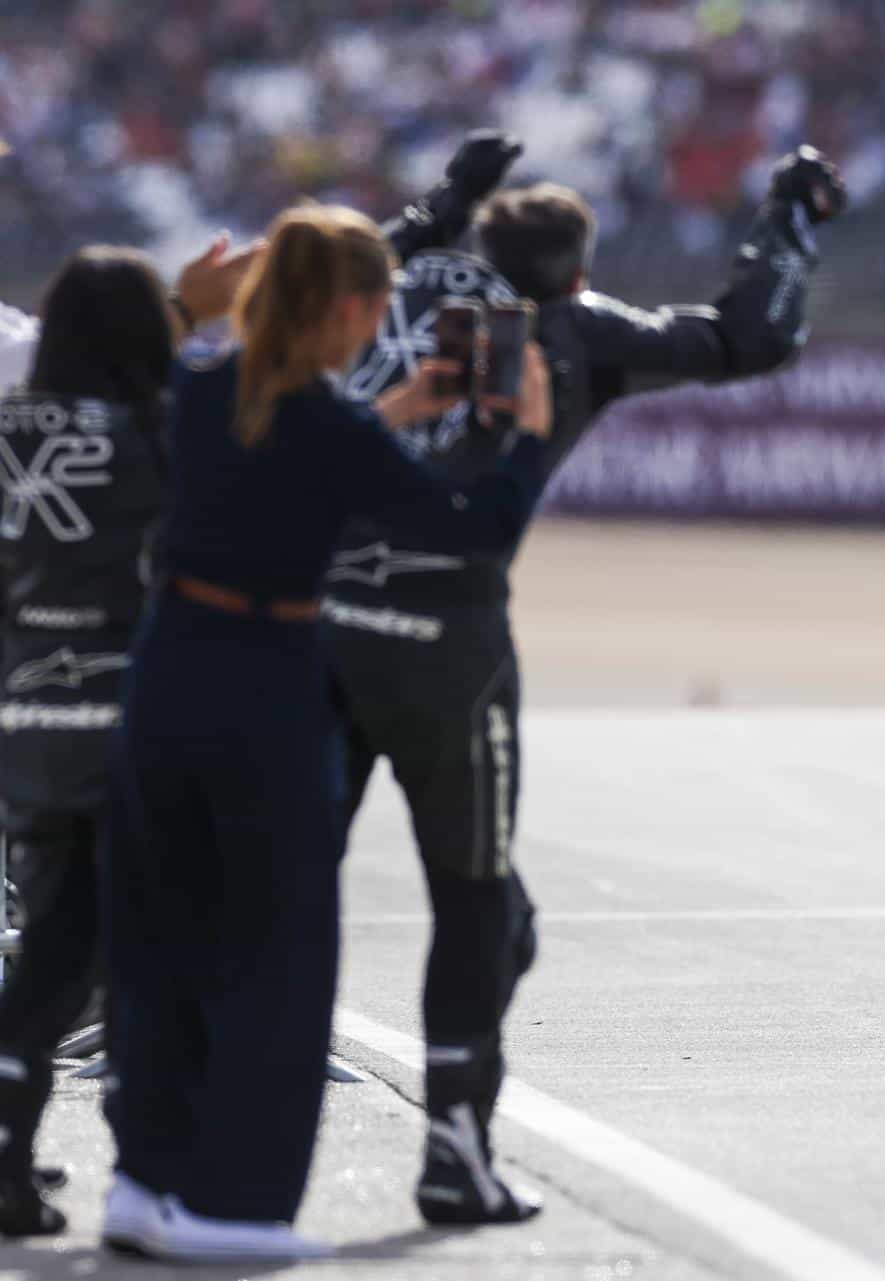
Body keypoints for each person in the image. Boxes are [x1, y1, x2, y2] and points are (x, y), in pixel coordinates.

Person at [325, 134, 846, 1224]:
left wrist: (441, 203)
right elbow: (750, 336)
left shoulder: (388, 286)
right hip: (447, 639)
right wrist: (789, 219)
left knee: (277, 875)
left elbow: (317, 271)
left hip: (312, 627)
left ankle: (187, 1111)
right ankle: (453, 1153)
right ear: (573, 268)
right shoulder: (572, 326)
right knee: (482, 911)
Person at [99, 204, 553, 1262]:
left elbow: (196, 417)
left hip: (167, 671)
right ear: (348, 307)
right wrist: (526, 439)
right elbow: (473, 529)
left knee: (159, 933)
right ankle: (234, 1206)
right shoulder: (328, 428)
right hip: (265, 684)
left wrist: (190, 306)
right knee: (275, 947)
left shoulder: (205, 391)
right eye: (380, 302)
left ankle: (142, 1180)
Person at [0, 235, 259, 1236]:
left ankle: (16, 1153)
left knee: (59, 942)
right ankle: (151, 1171)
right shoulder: (166, 427)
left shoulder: (12, 427)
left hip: (25, 718)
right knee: (121, 950)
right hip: (133, 715)